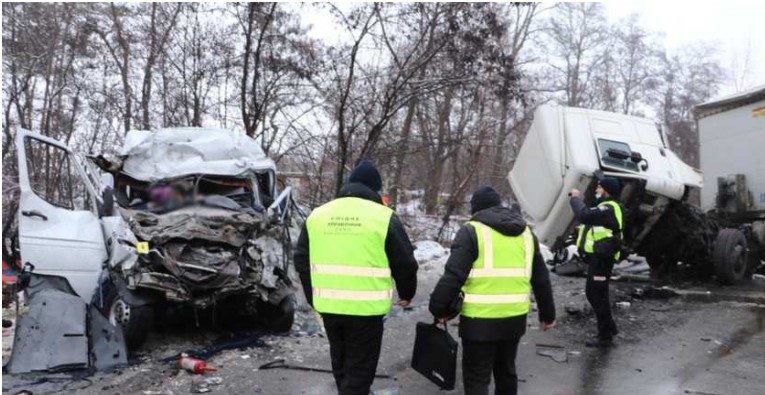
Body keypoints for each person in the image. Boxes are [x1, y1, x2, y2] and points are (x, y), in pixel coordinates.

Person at [294, 160, 418, 395]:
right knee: (359, 370)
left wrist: (314, 298)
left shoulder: (318, 215)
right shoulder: (383, 217)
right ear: (375, 189)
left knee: (341, 365)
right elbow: (405, 263)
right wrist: (407, 293)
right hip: (366, 311)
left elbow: (301, 260)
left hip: (329, 308)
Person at [429, 186, 556, 395]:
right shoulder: (526, 234)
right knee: (506, 372)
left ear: (475, 209)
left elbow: (454, 275)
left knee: (477, 377)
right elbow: (541, 278)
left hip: (479, 321)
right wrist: (547, 314)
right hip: (514, 319)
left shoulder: (472, 231)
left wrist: (438, 308)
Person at [570, 176, 625, 348]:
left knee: (597, 294)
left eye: (599, 188)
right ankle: (609, 328)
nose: (596, 190)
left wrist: (575, 198)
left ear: (606, 190)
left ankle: (605, 336)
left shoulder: (609, 207)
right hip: (600, 257)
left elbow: (584, 215)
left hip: (603, 259)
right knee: (594, 293)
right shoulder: (605, 207)